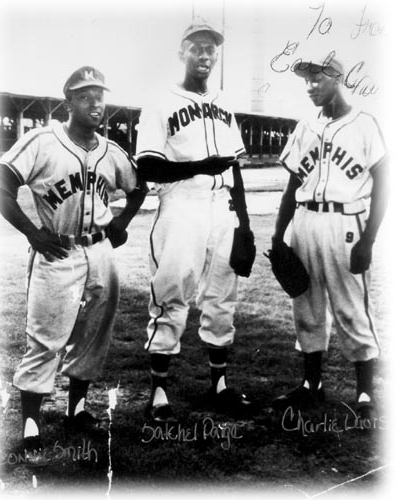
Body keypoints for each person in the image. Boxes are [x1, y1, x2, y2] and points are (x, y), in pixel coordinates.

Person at [0, 66, 147, 452]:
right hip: (57, 250)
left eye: (100, 95)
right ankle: (30, 423)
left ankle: (75, 410)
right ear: (68, 102)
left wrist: (121, 222)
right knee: (45, 337)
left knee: (95, 333)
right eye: (84, 95)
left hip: (100, 251)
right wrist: (32, 232)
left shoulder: (112, 151)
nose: (95, 103)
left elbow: (138, 187)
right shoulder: (42, 141)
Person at [136, 22, 253, 424]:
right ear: (181, 53)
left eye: (211, 50)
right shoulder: (161, 101)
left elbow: (234, 170)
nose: (205, 56)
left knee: (221, 298)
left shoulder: (223, 102)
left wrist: (246, 226)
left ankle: (219, 386)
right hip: (182, 205)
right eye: (197, 48)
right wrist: (200, 166)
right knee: (172, 294)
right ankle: (159, 394)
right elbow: (148, 164)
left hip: (222, 207)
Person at [271, 54, 388, 419]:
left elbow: (385, 182)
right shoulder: (305, 126)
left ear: (337, 77)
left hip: (347, 222)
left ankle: (366, 392)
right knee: (305, 306)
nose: (309, 86)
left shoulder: (365, 124)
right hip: (306, 221)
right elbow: (292, 185)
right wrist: (278, 236)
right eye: (305, 80)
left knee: (352, 308)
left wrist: (368, 240)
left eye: (317, 78)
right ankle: (312, 385)